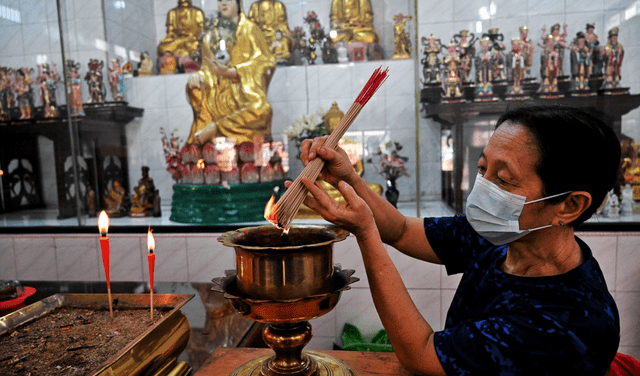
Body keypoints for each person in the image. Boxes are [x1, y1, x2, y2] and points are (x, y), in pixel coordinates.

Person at [296, 105, 621, 375]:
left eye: (504, 180)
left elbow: (421, 355)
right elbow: (401, 230)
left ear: (570, 205)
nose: (484, 189)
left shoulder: (569, 321)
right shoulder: (500, 235)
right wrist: (347, 177)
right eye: (483, 170)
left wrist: (365, 233)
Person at [186, 0, 275, 146]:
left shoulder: (251, 30)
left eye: (228, 0)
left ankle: (215, 128)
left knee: (262, 109)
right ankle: (207, 134)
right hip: (217, 95)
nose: (223, 4)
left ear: (238, 3)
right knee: (193, 87)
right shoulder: (210, 36)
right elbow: (207, 68)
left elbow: (267, 63)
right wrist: (199, 76)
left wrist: (235, 72)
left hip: (243, 93)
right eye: (220, 0)